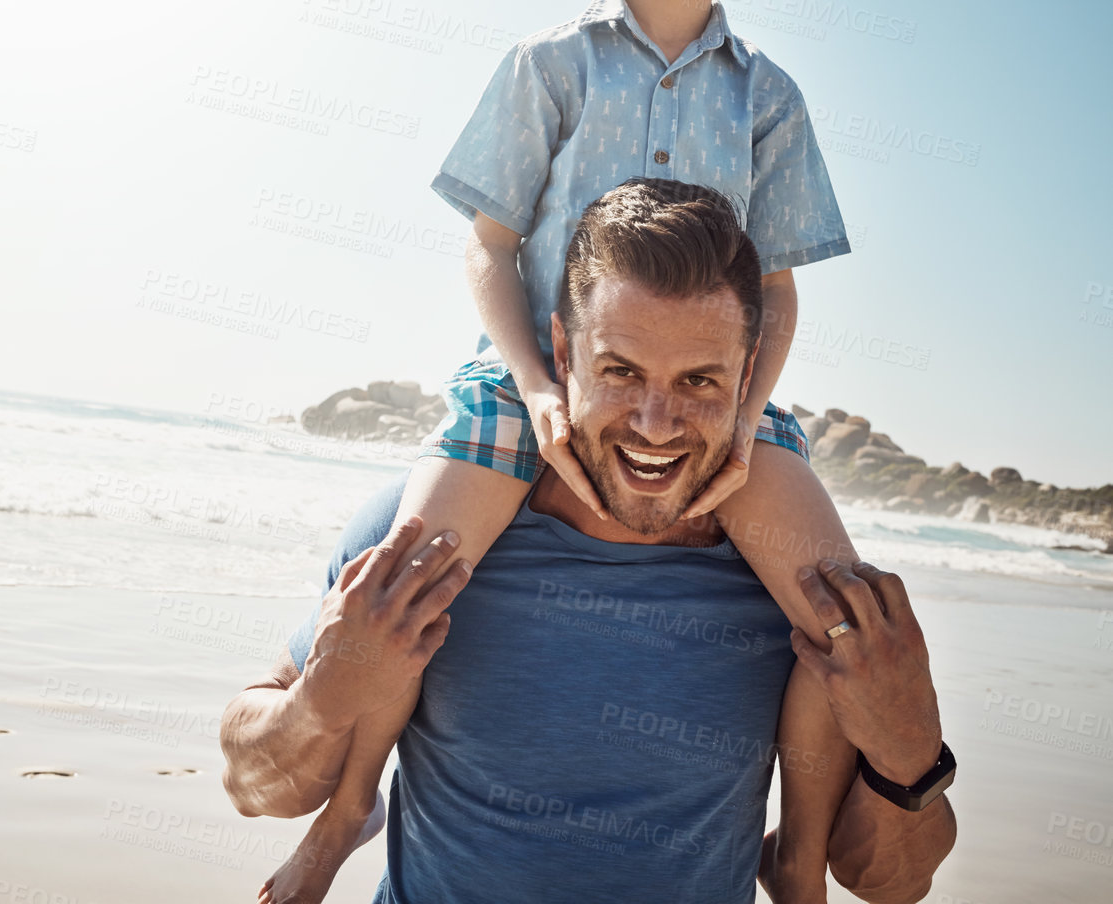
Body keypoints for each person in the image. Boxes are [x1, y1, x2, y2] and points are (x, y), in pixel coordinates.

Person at [254, 0, 866, 903]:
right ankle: (343, 816)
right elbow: (489, 244)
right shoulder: (548, 65)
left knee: (838, 604)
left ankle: (801, 866)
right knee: (408, 585)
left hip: (700, 392)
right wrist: (534, 386)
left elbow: (776, 290)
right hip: (530, 376)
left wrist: (740, 413)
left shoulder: (768, 95)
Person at [220, 179, 956, 903]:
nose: (656, 424)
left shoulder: (789, 574)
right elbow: (250, 785)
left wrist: (910, 747)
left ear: (749, 376)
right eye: (621, 372)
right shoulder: (431, 534)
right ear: (563, 354)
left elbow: (890, 885)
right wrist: (319, 704)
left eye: (700, 380)